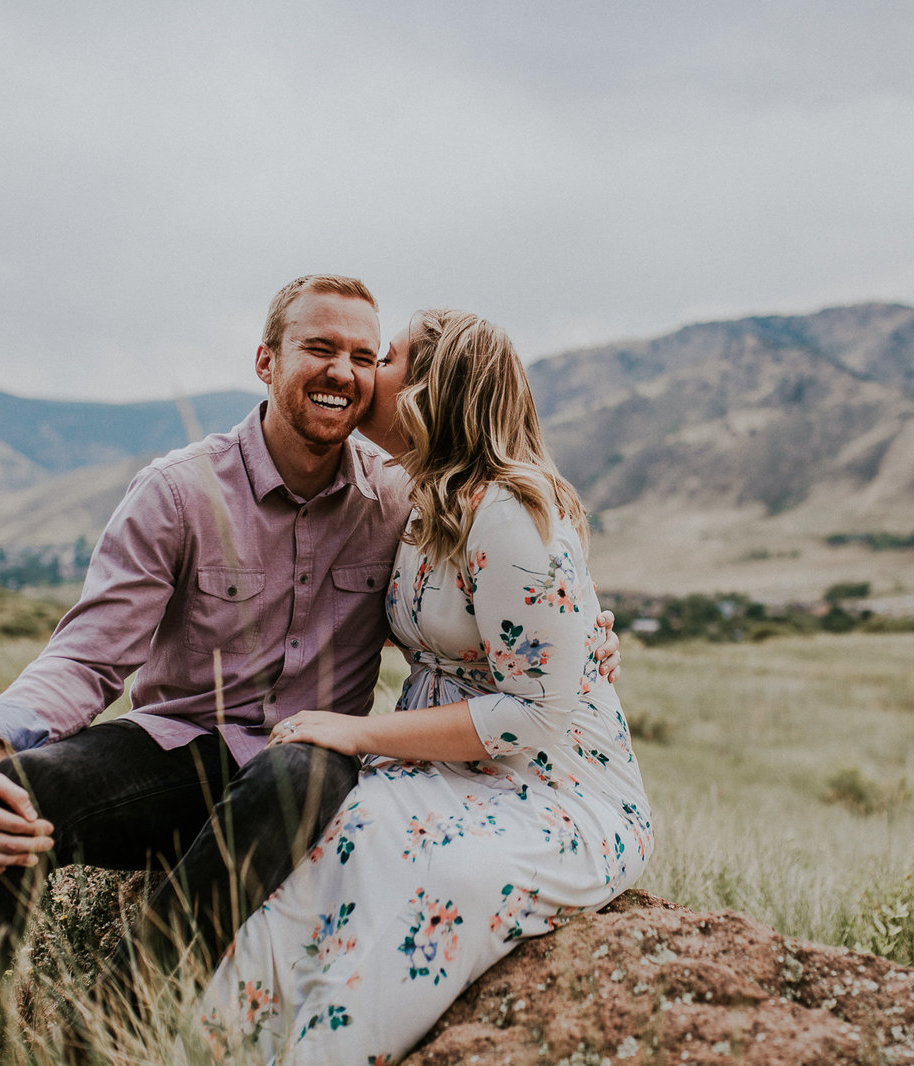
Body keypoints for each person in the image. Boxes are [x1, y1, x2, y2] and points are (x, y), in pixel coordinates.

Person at [0, 275, 624, 1064]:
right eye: (319, 348)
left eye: (364, 354)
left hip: (305, 766)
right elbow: (85, 656)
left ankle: (104, 1035)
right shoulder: (179, 492)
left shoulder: (398, 498)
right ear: (266, 361)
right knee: (20, 793)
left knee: (296, 778)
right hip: (182, 749)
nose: (344, 371)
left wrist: (587, 642)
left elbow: (498, 597)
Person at [198, 309, 653, 1064]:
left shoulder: (510, 511)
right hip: (444, 768)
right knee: (342, 830)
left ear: (430, 389)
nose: (365, 372)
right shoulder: (414, 497)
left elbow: (534, 715)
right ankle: (212, 1045)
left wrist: (355, 731)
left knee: (445, 871)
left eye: (388, 358)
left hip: (553, 785)